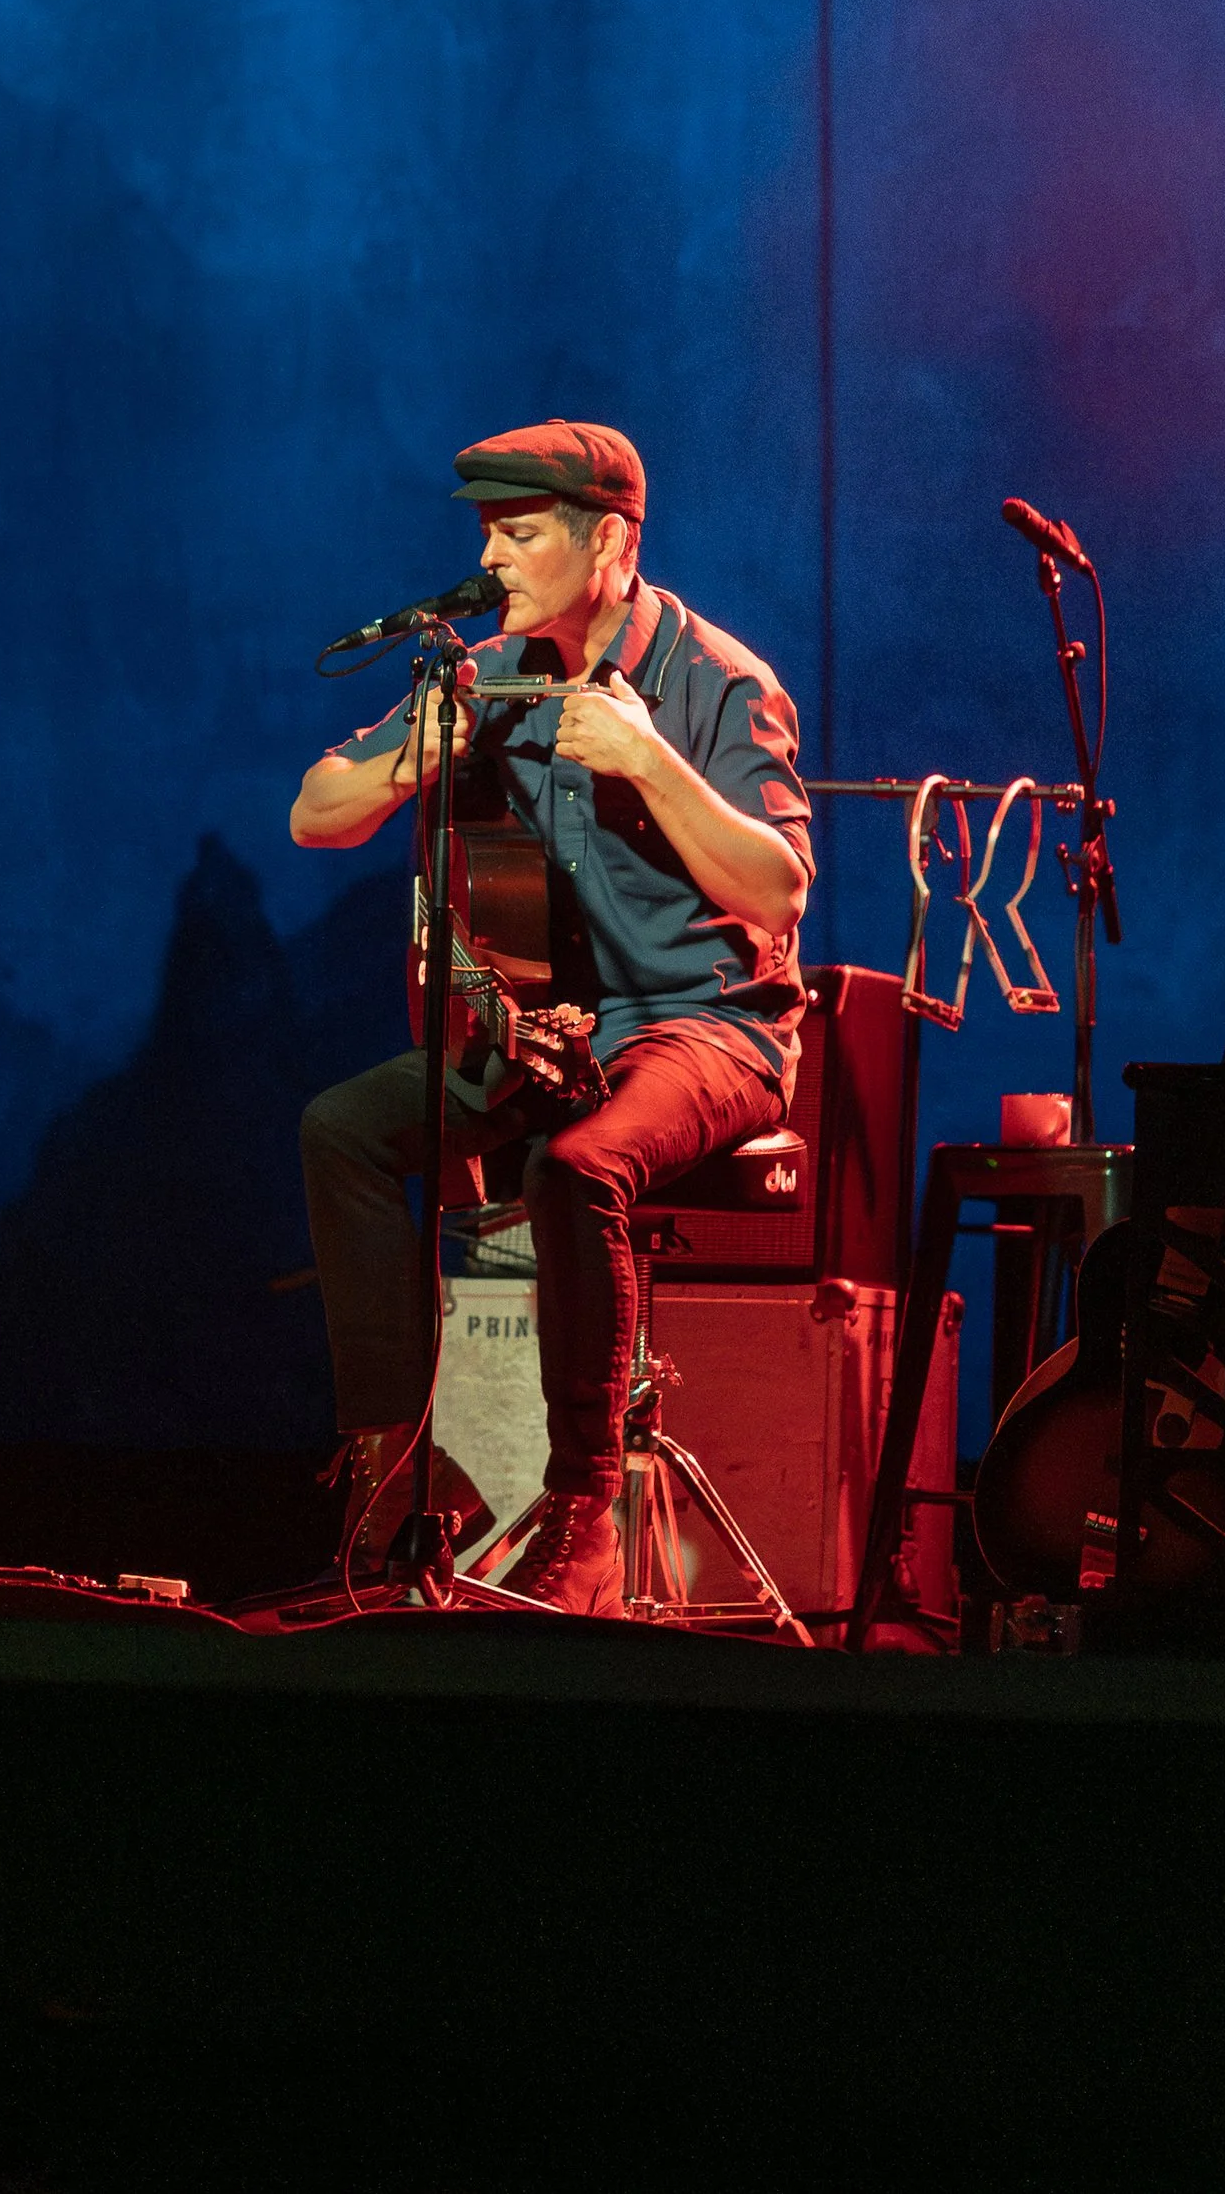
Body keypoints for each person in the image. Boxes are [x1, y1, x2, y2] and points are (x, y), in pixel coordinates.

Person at [292, 420, 813, 1614]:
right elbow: (312, 814)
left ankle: (585, 1503)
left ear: (610, 541)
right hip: (553, 1030)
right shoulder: (491, 671)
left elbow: (776, 889)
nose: (495, 556)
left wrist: (647, 760)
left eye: (519, 532)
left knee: (579, 1164)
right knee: (344, 1126)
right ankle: (393, 1469)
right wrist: (404, 761)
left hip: (710, 1028)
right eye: (487, 531)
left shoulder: (718, 678)